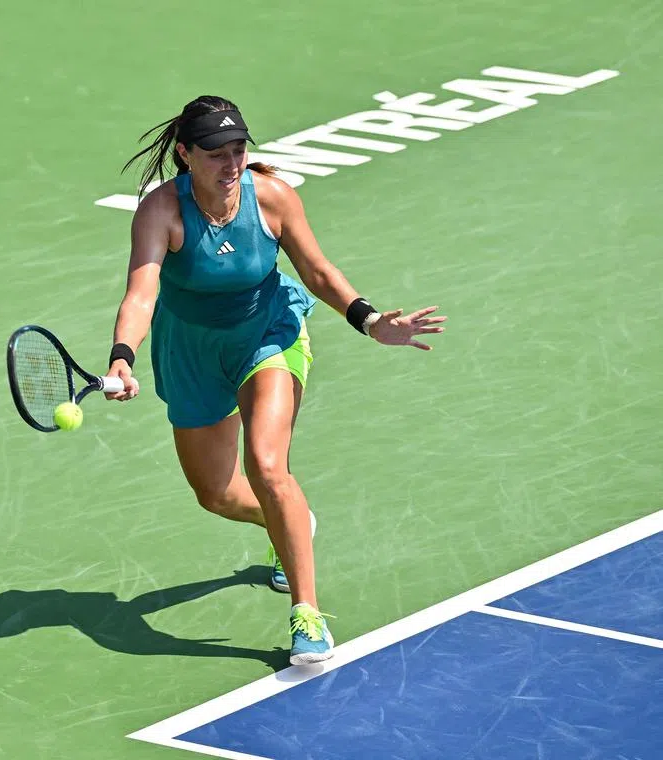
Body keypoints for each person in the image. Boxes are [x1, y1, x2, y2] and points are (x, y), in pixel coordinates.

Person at [103, 95, 446, 665]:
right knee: (215, 493)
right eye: (215, 153)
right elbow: (142, 292)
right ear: (186, 154)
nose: (230, 162)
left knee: (267, 465)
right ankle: (286, 519)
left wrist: (370, 320)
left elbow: (316, 270)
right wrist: (122, 356)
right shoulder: (161, 211)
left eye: (238, 149)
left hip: (268, 334)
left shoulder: (272, 198)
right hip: (189, 350)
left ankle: (307, 614)